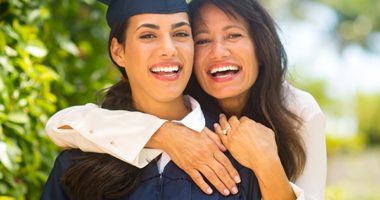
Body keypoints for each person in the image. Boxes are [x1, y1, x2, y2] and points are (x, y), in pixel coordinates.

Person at [45, 0, 326, 199]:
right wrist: (165, 134)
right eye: (147, 35)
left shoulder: (246, 160)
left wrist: (267, 164)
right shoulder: (78, 165)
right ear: (118, 52)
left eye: (180, 33)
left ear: (261, 46)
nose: (168, 49)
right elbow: (64, 123)